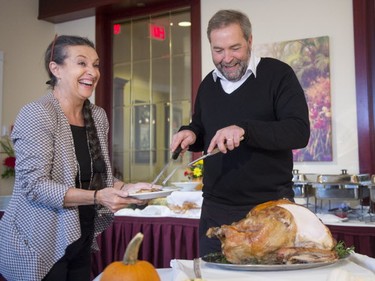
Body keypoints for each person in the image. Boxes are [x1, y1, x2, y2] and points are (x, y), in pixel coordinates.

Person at [0, 35, 155, 281]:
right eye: (82, 63)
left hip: (79, 234)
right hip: (37, 242)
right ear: (56, 69)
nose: (92, 72)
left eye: (95, 64)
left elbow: (98, 178)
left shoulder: (97, 115)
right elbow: (35, 187)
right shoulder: (37, 113)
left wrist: (128, 188)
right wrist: (96, 197)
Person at [171, 10, 310, 256]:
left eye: (235, 48)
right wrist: (191, 133)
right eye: (218, 50)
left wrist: (245, 129)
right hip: (215, 211)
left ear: (249, 41)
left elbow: (298, 131)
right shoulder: (207, 85)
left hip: (269, 210)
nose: (227, 58)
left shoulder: (278, 75)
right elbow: (203, 129)